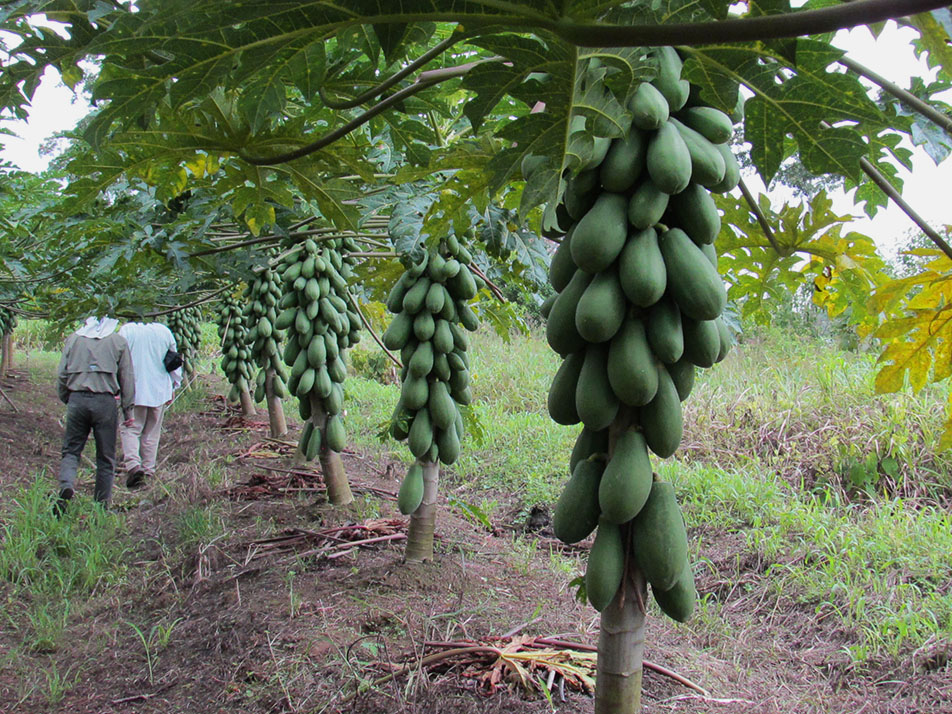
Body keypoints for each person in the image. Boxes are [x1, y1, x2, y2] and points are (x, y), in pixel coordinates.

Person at [56, 316, 136, 513]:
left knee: (71, 451)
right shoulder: (118, 342)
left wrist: (67, 397)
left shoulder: (74, 339)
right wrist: (128, 410)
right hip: (105, 402)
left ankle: (66, 485)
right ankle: (101, 507)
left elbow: (62, 374)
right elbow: (127, 377)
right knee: (106, 457)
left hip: (77, 399)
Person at [118, 321, 182, 489]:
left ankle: (133, 465)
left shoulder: (126, 330)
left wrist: (116, 388)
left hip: (133, 389)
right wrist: (174, 384)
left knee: (130, 428)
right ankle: (148, 470)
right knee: (152, 432)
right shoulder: (164, 331)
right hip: (159, 390)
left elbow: (118, 360)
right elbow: (174, 360)